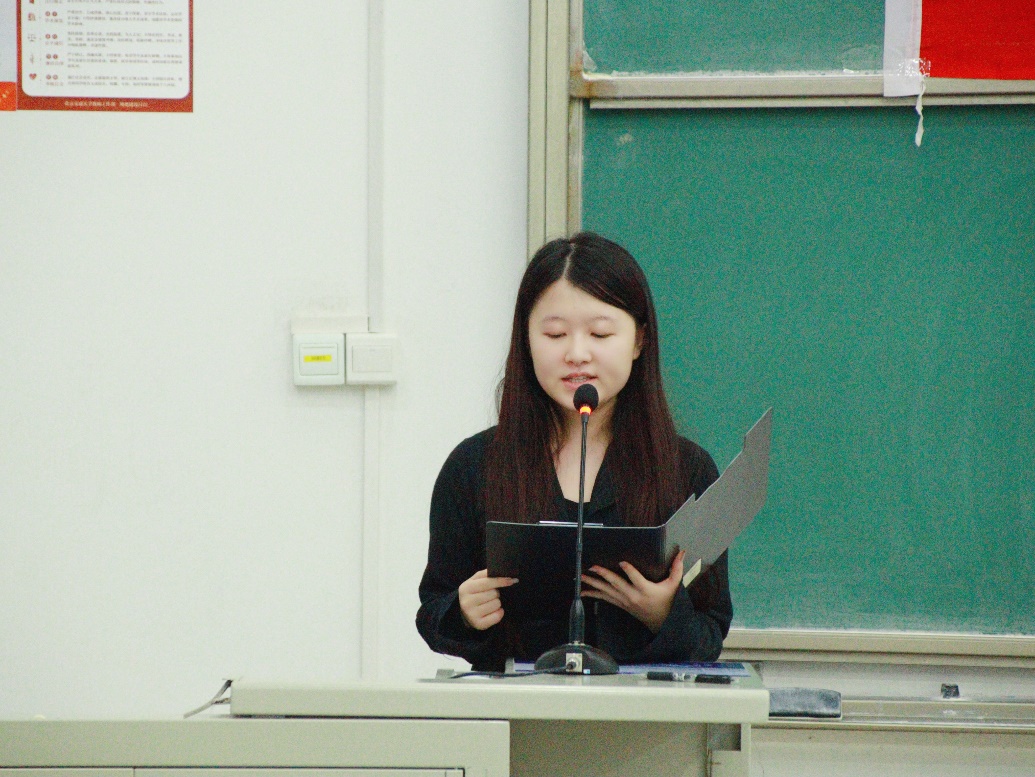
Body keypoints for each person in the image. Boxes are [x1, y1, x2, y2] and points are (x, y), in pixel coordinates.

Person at [416, 232, 732, 672]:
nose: (577, 354)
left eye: (600, 333)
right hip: (515, 708)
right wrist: (465, 613)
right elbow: (433, 612)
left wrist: (664, 614)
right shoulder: (474, 466)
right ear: (527, 340)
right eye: (555, 334)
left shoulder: (687, 472)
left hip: (640, 709)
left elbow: (711, 631)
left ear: (639, 340)